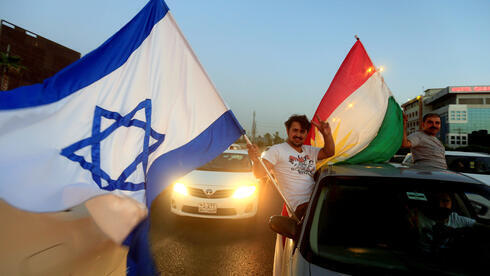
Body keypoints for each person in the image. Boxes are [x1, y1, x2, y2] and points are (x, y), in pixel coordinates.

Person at [247, 114, 335, 219]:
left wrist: (327, 134)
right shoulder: (277, 150)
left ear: (306, 133)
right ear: (288, 130)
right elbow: (259, 174)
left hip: (319, 199)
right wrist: (256, 161)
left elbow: (329, 152)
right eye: (295, 130)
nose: (298, 134)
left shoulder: (310, 150)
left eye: (302, 131)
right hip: (301, 208)